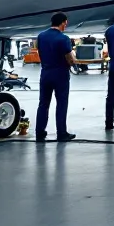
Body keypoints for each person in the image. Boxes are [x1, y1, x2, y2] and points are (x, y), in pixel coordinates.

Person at [35, 12, 77, 142]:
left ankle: (40, 132)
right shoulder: (63, 38)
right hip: (60, 74)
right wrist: (73, 61)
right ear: (63, 22)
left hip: (45, 73)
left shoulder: (41, 36)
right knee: (61, 104)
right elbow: (70, 59)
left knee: (43, 104)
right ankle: (61, 133)